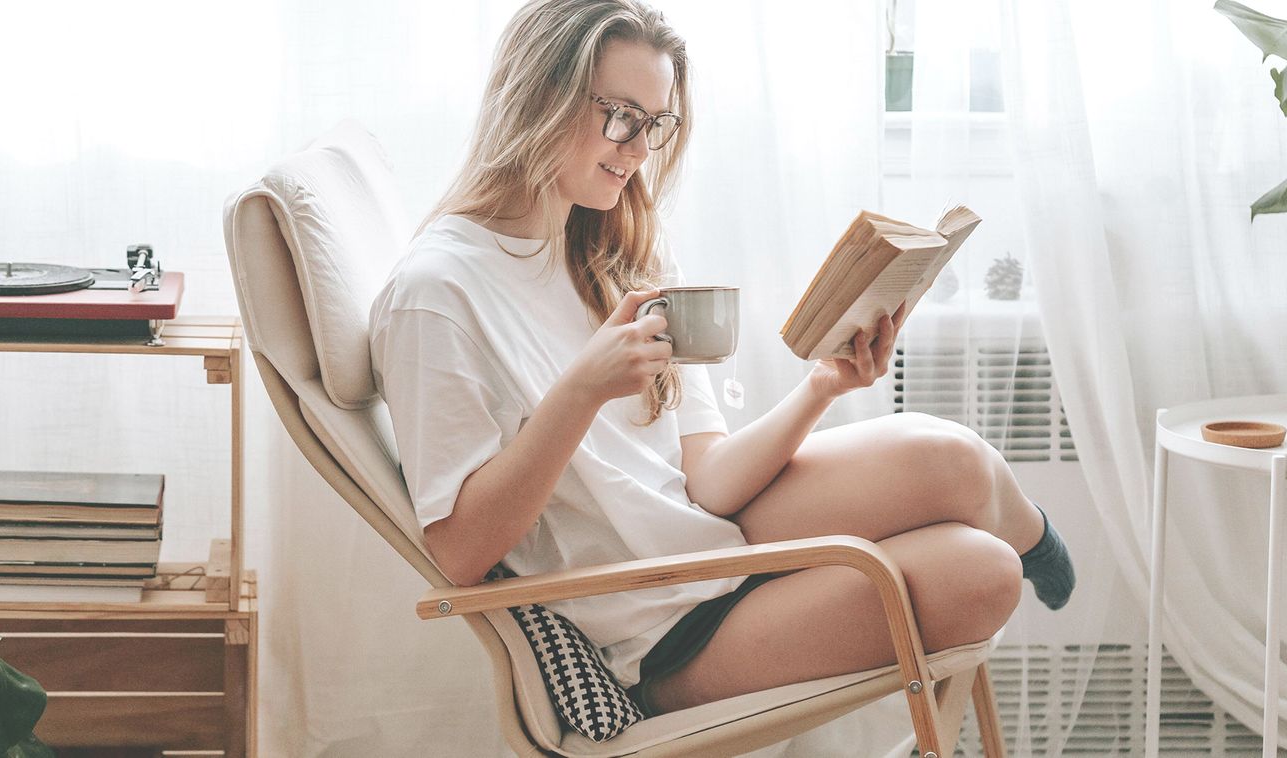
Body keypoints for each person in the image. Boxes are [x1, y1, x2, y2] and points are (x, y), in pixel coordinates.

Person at [366, 0, 1074, 717]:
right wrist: (580, 392)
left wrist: (822, 387)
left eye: (656, 123)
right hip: (659, 632)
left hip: (712, 543)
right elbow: (458, 553)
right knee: (983, 575)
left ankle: (1033, 533)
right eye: (621, 116)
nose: (640, 149)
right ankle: (1017, 544)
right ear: (536, 96)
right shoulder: (437, 291)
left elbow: (706, 479)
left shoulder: (610, 252)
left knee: (949, 456)